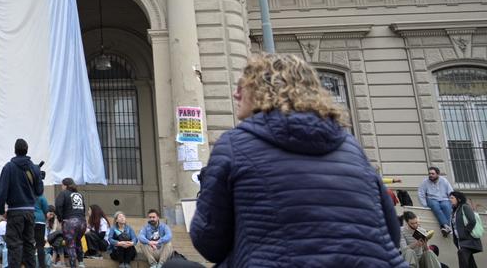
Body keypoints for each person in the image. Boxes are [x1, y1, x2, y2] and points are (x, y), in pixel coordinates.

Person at [190, 53, 406, 267]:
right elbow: (390, 232)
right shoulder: (350, 146)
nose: (236, 95)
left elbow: (209, 242)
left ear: (264, 90)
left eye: (242, 86)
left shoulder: (233, 145)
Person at [0, 138, 43, 268]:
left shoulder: (8, 167)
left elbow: (1, 193)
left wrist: (1, 211)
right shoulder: (34, 168)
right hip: (30, 212)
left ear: (15, 150)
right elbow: (39, 191)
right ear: (27, 150)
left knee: (14, 246)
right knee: (29, 244)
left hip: (15, 212)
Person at [54, 177, 86, 268]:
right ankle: (81, 263)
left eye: (62, 185)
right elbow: (83, 208)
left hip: (70, 222)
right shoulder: (79, 195)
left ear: (65, 185)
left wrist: (60, 219)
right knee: (78, 241)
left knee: (71, 245)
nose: (61, 187)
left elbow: (58, 206)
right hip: (82, 222)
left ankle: (73, 266)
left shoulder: (63, 193)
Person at [421, 167, 456, 237]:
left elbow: (450, 192)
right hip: (431, 199)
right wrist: (424, 204)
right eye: (429, 173)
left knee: (446, 206)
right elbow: (421, 193)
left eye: (432, 173)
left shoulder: (444, 181)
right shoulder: (425, 182)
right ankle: (446, 226)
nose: (430, 175)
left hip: (443, 199)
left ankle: (445, 229)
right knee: (435, 206)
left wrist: (452, 201)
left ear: (438, 174)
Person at [451, 191, 482, 268]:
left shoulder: (465, 207)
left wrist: (465, 232)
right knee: (470, 263)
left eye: (452, 198)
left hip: (468, 240)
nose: (450, 200)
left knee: (462, 254)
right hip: (461, 241)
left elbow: (472, 220)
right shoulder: (455, 211)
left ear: (459, 199)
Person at [34, 190, 51, 268]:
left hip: (28, 220)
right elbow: (46, 211)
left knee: (28, 245)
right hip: (40, 221)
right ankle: (42, 265)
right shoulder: (41, 196)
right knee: (40, 245)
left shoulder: (26, 194)